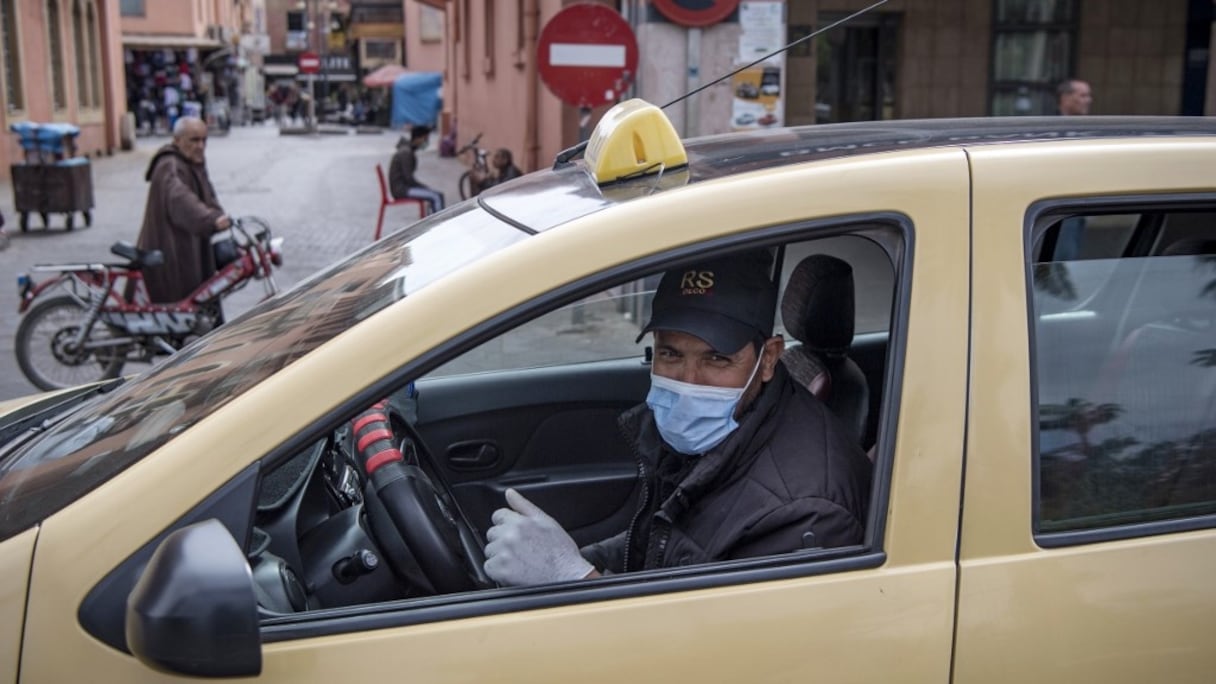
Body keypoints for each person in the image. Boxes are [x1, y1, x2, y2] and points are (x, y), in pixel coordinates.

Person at [483, 250, 873, 586]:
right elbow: (662, 539)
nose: (688, 382)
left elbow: (717, 657)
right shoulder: (734, 430)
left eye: (717, 359)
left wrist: (574, 579)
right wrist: (572, 558)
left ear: (769, 357)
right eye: (671, 354)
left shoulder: (806, 516)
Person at [134, 116, 231, 307]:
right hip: (171, 250)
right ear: (177, 140)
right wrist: (210, 219)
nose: (201, 146)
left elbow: (208, 196)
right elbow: (181, 200)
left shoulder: (193, 163)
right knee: (178, 303)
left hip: (191, 244)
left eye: (204, 140)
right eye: (194, 140)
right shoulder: (169, 165)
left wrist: (218, 214)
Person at [1053, 79, 1093, 259]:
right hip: (1057, 201)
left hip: (1081, 200)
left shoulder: (1087, 130)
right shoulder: (1047, 127)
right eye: (1082, 95)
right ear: (1066, 98)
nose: (1088, 100)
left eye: (1088, 96)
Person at [389, 125, 446, 213]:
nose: (426, 142)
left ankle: (432, 221)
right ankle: (440, 224)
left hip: (403, 187)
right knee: (437, 196)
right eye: (425, 139)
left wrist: (425, 188)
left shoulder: (408, 150)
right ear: (417, 138)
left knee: (433, 194)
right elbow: (409, 179)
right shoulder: (406, 152)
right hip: (401, 190)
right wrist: (424, 187)